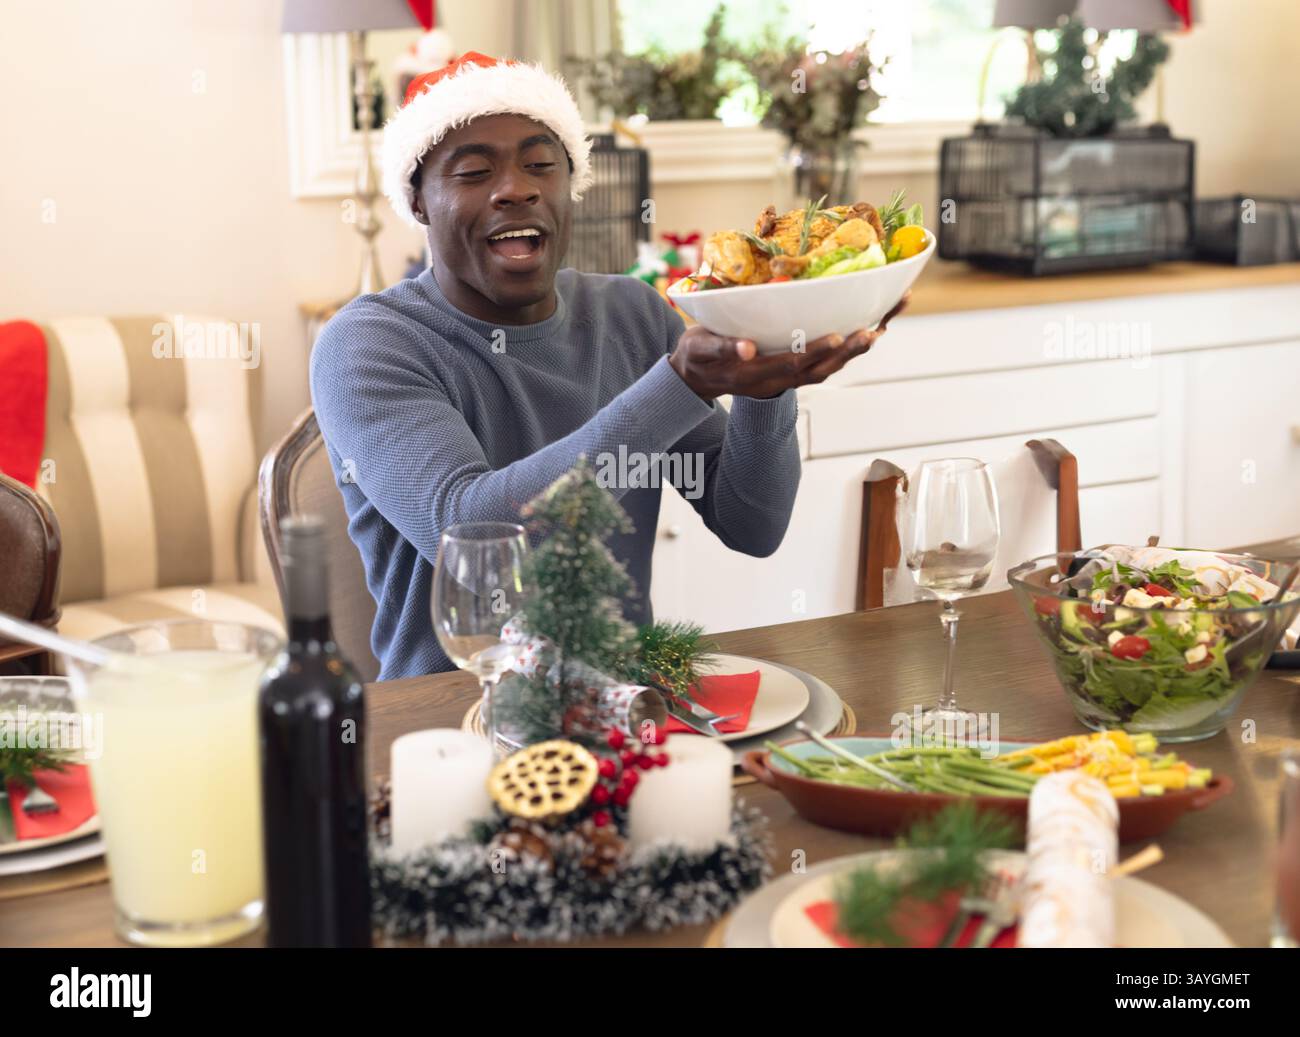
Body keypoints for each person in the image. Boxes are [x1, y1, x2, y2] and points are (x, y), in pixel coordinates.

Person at [311, 52, 905, 679]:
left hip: (628, 713)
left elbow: (751, 523)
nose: (517, 187)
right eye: (474, 172)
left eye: (542, 164)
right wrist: (682, 384)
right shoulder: (368, 344)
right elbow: (475, 538)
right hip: (453, 722)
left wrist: (768, 357)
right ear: (420, 202)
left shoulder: (631, 314)